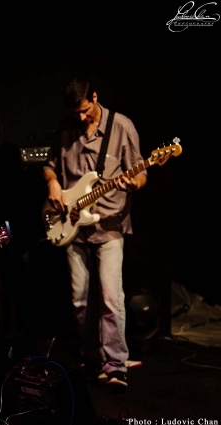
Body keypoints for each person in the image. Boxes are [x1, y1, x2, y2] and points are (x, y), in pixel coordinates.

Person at [42, 77, 147, 393]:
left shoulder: (121, 127)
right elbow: (49, 166)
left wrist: (134, 183)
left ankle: (116, 366)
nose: (82, 117)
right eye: (76, 112)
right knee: (80, 300)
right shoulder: (66, 128)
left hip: (110, 225)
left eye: (85, 110)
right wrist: (52, 183)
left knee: (111, 298)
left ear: (96, 97)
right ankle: (92, 361)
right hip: (72, 225)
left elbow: (141, 172)